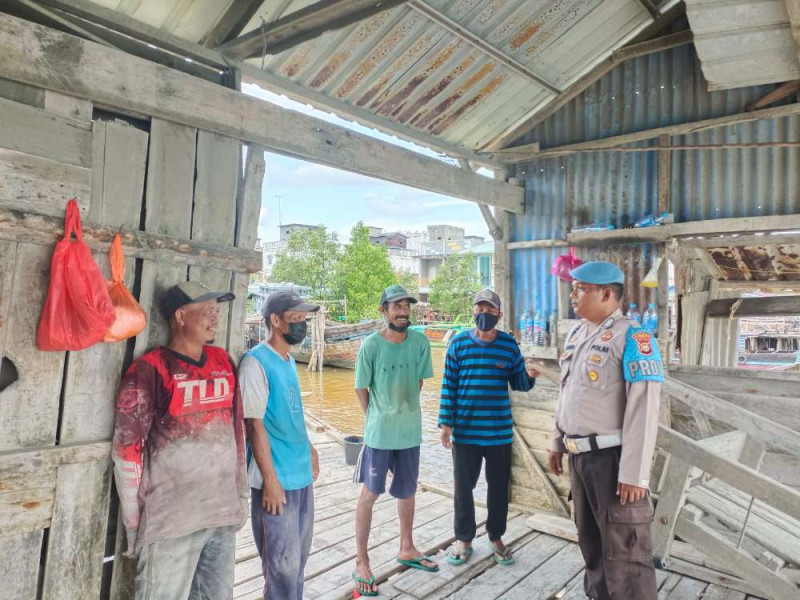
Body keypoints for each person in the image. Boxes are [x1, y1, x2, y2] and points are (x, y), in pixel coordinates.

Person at [112, 281, 248, 599]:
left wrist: (240, 496)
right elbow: (126, 452)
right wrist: (134, 525)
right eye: (207, 312)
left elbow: (236, 433)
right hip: (171, 522)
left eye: (217, 312)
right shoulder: (151, 370)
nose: (215, 319)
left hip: (221, 515)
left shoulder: (223, 363)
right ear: (181, 316)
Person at [548, 261, 663, 600]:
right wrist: (557, 440)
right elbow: (566, 392)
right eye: (574, 288)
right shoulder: (577, 333)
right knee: (592, 546)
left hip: (613, 461)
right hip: (579, 458)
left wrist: (635, 473)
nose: (573, 294)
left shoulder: (634, 336)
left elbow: (644, 407)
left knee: (626, 552)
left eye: (580, 288)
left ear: (607, 293)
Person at [439, 289, 539, 567]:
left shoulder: (508, 345)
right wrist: (445, 423)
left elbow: (519, 383)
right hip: (466, 433)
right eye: (479, 308)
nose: (484, 314)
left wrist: (529, 375)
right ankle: (464, 538)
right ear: (473, 311)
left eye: (489, 309)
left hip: (498, 433)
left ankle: (496, 536)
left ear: (499, 314)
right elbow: (449, 386)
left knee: (497, 487)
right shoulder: (458, 345)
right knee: (463, 487)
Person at [351, 285, 436, 597]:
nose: (402, 311)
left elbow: (419, 382)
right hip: (380, 434)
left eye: (406, 306)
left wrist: (403, 411)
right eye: (396, 306)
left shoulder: (420, 342)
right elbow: (362, 389)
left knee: (407, 490)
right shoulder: (370, 346)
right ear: (383, 310)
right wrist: (376, 417)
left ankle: (407, 547)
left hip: (410, 431)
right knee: (370, 493)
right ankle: (361, 561)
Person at [239, 291, 321, 600]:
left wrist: (310, 447)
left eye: (304, 318)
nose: (302, 324)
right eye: (296, 318)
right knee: (280, 565)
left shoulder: (287, 361)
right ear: (276, 320)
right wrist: (270, 482)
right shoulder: (255, 363)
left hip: (300, 475)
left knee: (297, 558)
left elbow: (293, 413)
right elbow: (254, 424)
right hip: (276, 481)